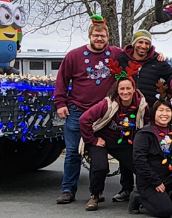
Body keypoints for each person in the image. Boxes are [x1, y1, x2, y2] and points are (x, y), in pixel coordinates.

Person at [53, 17, 123, 204]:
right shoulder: (74, 55)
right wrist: (60, 103)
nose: (99, 39)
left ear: (108, 37)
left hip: (104, 113)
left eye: (103, 36)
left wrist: (157, 55)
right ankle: (68, 190)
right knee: (73, 153)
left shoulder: (115, 54)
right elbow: (62, 80)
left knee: (97, 152)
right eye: (96, 35)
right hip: (77, 110)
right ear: (90, 36)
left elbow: (136, 55)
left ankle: (96, 191)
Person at [78, 76, 149, 208]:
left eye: (128, 88)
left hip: (123, 141)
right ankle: (95, 195)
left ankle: (143, 195)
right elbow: (84, 120)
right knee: (100, 167)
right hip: (102, 140)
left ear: (134, 89)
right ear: (117, 90)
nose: (125, 92)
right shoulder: (108, 103)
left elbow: (148, 122)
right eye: (122, 89)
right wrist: (92, 140)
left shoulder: (141, 105)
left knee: (140, 165)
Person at [130, 100, 172, 218]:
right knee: (164, 212)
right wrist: (155, 181)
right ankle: (138, 198)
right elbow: (139, 161)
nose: (164, 114)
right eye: (160, 110)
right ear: (154, 113)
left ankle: (170, 201)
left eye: (168, 110)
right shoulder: (144, 133)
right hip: (149, 180)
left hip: (169, 175)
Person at [115, 29, 172, 104]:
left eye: (147, 43)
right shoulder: (122, 59)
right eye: (140, 42)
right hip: (125, 107)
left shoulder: (157, 61)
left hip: (149, 107)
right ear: (134, 43)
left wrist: (164, 95)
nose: (143, 46)